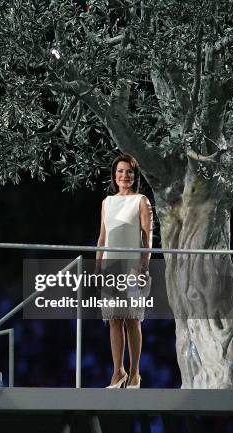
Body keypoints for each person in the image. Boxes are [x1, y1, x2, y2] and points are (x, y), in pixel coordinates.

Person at [95, 154, 153, 389]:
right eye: (120, 171)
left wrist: (144, 267)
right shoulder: (107, 202)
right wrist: (97, 267)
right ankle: (118, 372)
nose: (124, 176)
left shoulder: (141, 201)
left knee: (132, 320)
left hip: (131, 267)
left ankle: (136, 373)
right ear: (114, 175)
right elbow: (102, 238)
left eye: (129, 172)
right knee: (114, 321)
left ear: (135, 175)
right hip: (110, 267)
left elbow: (147, 238)